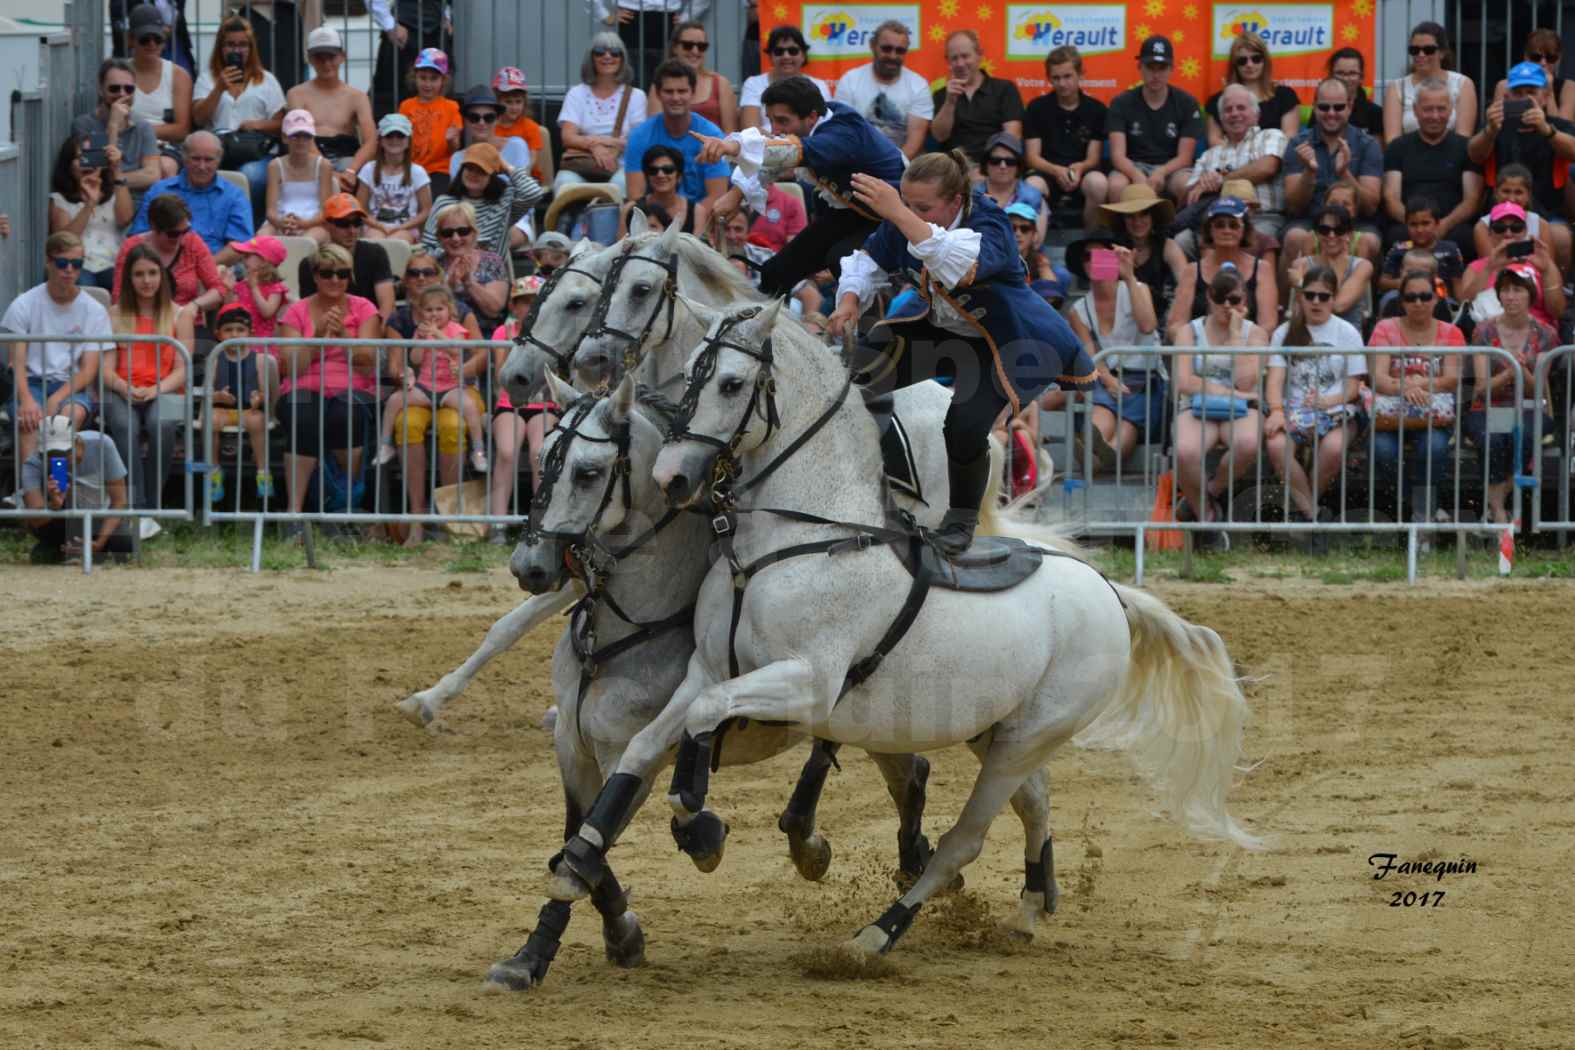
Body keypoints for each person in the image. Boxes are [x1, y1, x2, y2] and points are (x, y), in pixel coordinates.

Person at [826, 150, 1095, 555]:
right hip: (946, 329)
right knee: (851, 375)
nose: (911, 211)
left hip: (1011, 341)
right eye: (908, 202)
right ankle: (862, 482)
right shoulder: (907, 219)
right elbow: (869, 260)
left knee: (966, 424)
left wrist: (900, 212)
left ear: (955, 202)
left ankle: (962, 521)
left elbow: (954, 262)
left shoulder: (991, 223)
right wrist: (848, 301)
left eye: (923, 206)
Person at [698, 76, 907, 299]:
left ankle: (872, 324)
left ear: (811, 117)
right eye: (771, 120)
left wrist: (732, 146)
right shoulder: (819, 124)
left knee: (843, 262)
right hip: (853, 211)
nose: (776, 129)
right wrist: (735, 194)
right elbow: (775, 161)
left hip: (891, 216)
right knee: (775, 272)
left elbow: (789, 152)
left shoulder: (842, 132)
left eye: (783, 121)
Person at [273, 243, 382, 534]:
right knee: (302, 414)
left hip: (353, 386)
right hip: (303, 385)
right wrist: (318, 337)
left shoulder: (364, 308)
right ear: (316, 276)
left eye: (342, 273)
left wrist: (345, 335)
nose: (335, 280)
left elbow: (368, 364)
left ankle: (344, 504)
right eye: (327, 273)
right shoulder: (296, 312)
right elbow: (291, 367)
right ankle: (293, 514)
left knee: (347, 415)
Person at [1262, 263, 1366, 535]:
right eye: (1310, 295)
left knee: (1332, 449)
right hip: (1294, 409)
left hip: (1337, 409)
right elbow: (1274, 379)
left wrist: (1327, 402)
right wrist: (1275, 410)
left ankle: (1306, 512)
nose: (1316, 301)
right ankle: (1313, 517)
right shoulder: (1284, 332)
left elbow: (1354, 387)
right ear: (1300, 297)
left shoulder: (1347, 332)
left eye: (1324, 296)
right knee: (1275, 447)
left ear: (1334, 298)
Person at [1170, 266, 1267, 548]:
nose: (1227, 306)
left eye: (1234, 300)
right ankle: (1209, 519)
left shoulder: (1256, 333)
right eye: (1220, 297)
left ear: (1245, 301)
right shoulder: (1189, 331)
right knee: (1186, 451)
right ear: (1209, 297)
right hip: (1197, 406)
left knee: (1247, 443)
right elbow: (1184, 381)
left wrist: (1236, 336)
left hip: (1241, 409)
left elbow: (1247, 381)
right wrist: (1230, 392)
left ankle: (1209, 492)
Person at [2, 233, 110, 464]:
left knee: (65, 421)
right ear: (48, 262)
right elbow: (17, 362)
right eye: (62, 263)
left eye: (77, 264)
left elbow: (88, 370)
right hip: (30, 382)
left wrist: (59, 396)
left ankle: (57, 489)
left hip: (69, 386)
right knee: (29, 421)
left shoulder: (94, 310)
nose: (69, 269)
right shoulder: (25, 304)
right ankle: (32, 495)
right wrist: (27, 400)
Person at [102, 242, 192, 517]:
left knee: (160, 423)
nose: (147, 280)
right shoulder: (114, 314)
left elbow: (183, 369)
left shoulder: (181, 314)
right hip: (121, 389)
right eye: (139, 274)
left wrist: (155, 390)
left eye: (153, 273)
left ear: (162, 276)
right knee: (122, 424)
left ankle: (152, 505)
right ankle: (135, 506)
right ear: (129, 278)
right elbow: (106, 370)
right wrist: (124, 387)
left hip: (168, 390)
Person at [1367, 271, 1465, 520]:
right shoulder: (1385, 328)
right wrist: (1406, 387)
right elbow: (1377, 378)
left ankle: (1420, 515)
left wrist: (1422, 384)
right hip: (1391, 412)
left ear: (1435, 299)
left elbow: (1452, 379)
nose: (1419, 303)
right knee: (1382, 450)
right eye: (1411, 297)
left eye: (1425, 296)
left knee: (1434, 447)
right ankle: (1422, 509)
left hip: (1433, 414)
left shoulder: (1451, 333)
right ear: (1401, 301)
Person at [1466, 266, 1558, 524]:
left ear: (1530, 295)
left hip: (1529, 407)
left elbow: (1538, 388)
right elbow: (1481, 389)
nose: (1511, 296)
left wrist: (1520, 371)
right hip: (1488, 408)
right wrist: (1509, 373)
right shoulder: (1483, 331)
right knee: (1494, 440)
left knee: (1524, 435)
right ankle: (1499, 513)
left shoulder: (1546, 334)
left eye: (1517, 289)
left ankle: (1493, 508)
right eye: (1505, 290)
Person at [1064, 238, 1162, 468]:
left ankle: (1100, 460)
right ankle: (1090, 454)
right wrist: (1109, 381)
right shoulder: (1078, 309)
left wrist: (1128, 276)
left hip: (1143, 378)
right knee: (1099, 418)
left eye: (1102, 255)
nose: (1094, 261)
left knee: (1127, 424)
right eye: (1088, 256)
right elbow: (1089, 353)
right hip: (1105, 378)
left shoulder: (1138, 289)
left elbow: (1148, 325)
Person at [375, 284, 488, 479]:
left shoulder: (456, 328)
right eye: (428, 310)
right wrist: (421, 339)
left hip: (450, 388)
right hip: (425, 387)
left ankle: (478, 452)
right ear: (421, 313)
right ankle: (385, 444)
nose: (434, 314)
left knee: (469, 407)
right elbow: (416, 358)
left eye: (439, 309)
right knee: (394, 401)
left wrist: (437, 334)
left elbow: (456, 350)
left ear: (449, 310)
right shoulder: (421, 331)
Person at [1467, 60, 1575, 264]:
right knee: (1484, 231)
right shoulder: (1495, 125)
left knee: (1560, 236)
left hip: (1549, 212)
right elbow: (1474, 154)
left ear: (1545, 97)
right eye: (1518, 93)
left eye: (1531, 92)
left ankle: (1556, 289)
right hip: (1499, 212)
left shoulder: (1558, 126)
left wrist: (1547, 130)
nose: (1524, 98)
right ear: (1507, 97)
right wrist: (1490, 131)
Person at [1280, 76, 1384, 270]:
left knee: (1369, 241)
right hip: (1310, 220)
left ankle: (1362, 300)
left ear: (1350, 106)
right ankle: (1286, 302)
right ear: (1314, 106)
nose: (1331, 113)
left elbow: (1370, 206)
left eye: (1338, 107)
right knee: (1294, 238)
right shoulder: (1298, 144)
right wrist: (1309, 173)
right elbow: (1293, 207)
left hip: (1356, 223)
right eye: (1324, 107)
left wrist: (1344, 173)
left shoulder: (1368, 144)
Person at [1382, 79, 1484, 257]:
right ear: (1415, 111)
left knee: (1466, 237)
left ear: (1451, 110)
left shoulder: (1467, 148)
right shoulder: (1397, 147)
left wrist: (1443, 225)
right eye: (1428, 109)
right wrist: (1418, 225)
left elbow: (1472, 199)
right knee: (1394, 235)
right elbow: (1391, 198)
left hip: (1452, 226)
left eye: (1441, 109)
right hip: (1409, 225)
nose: (1435, 116)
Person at [192, 16, 286, 209]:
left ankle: (245, 228)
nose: (237, 50)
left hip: (255, 151)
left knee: (250, 175)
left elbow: (281, 125)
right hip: (217, 151)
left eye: (243, 45)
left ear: (251, 49)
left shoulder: (266, 80)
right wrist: (218, 89)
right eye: (230, 45)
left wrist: (257, 124)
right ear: (221, 47)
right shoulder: (207, 79)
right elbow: (198, 119)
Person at [487, 275, 553, 543]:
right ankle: (497, 525)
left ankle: (539, 525)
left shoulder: (554, 333)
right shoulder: (503, 332)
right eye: (524, 302)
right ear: (514, 306)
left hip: (545, 403)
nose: (530, 308)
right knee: (506, 451)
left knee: (540, 452)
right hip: (510, 403)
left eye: (536, 302)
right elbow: (499, 376)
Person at [19, 416, 133, 564]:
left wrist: (99, 543)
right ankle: (62, 548)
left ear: (77, 441)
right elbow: (35, 521)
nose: (59, 459)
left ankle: (82, 549)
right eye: (49, 455)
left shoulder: (103, 444)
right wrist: (54, 505)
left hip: (100, 515)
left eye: (64, 453)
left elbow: (119, 501)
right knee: (44, 549)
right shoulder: (33, 463)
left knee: (125, 543)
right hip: (62, 519)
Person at [1183, 84, 1287, 245]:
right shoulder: (1208, 155)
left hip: (1261, 217)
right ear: (1222, 119)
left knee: (1252, 239)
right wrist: (1201, 184)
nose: (1234, 113)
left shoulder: (1271, 136)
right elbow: (1190, 196)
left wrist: (1220, 181)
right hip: (1216, 221)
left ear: (1255, 114)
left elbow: (1267, 167)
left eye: (1241, 108)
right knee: (1181, 241)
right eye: (1228, 110)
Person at [127, 131, 254, 262]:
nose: (202, 166)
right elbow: (139, 237)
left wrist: (205, 268)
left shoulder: (234, 196)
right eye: (196, 159)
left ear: (219, 160)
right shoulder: (160, 190)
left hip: (215, 268)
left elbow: (239, 245)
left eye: (208, 160)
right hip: (164, 269)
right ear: (184, 157)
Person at [1022, 45, 1109, 230]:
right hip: (1047, 173)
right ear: (1049, 79)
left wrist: (1080, 168)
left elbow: (1093, 158)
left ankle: (1090, 244)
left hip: (1082, 174)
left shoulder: (1097, 110)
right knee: (1031, 186)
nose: (1062, 83)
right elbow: (1032, 157)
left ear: (1080, 75)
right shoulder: (1036, 108)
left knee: (1099, 183)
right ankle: (1034, 251)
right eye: (1056, 78)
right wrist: (1056, 171)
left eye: (1067, 76)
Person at [1107, 36, 1202, 204]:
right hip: (1132, 165)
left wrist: (1161, 172)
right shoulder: (1121, 102)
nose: (1156, 74)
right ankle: (1120, 231)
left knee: (1187, 185)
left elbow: (1185, 157)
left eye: (1162, 68)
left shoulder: (1187, 103)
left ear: (1172, 68)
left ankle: (1180, 230)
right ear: (1139, 67)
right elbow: (1117, 156)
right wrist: (1137, 175)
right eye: (1150, 67)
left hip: (1172, 168)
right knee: (1116, 186)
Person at [204, 301, 281, 505]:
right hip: (223, 410)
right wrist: (218, 397)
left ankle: (263, 470)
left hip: (249, 410)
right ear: (218, 333)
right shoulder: (215, 359)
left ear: (250, 332)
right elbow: (206, 393)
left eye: (240, 329)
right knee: (210, 420)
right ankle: (214, 470)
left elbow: (265, 393)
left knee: (257, 421)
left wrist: (259, 399)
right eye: (228, 330)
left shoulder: (260, 360)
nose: (234, 335)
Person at [623, 60, 729, 208]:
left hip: (701, 221)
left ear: (693, 93)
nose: (675, 98)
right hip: (654, 220)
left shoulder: (711, 135)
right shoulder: (640, 136)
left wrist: (687, 223)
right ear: (658, 94)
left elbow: (717, 197)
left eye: (682, 91)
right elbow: (636, 196)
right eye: (669, 91)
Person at [286, 27, 377, 193]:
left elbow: (371, 141)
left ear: (343, 56)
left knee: (367, 173)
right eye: (320, 58)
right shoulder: (296, 94)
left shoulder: (357, 96)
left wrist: (352, 171)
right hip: (307, 157)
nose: (326, 63)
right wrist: (328, 172)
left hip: (347, 159)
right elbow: (296, 134)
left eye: (331, 57)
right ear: (310, 59)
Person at [555, 33, 648, 192]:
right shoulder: (576, 93)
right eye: (600, 52)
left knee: (618, 187)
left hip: (621, 166)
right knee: (564, 184)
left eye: (614, 52)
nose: (607, 56)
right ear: (591, 58)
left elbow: (637, 141)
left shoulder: (636, 96)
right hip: (582, 165)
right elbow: (568, 137)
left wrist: (605, 146)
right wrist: (595, 146)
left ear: (622, 58)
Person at [1169, 196, 1277, 330]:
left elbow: (1268, 324)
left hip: (1248, 346)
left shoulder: (1262, 269)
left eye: (1233, 225)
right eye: (1220, 224)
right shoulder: (1192, 271)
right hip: (1200, 347)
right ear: (1210, 230)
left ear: (1244, 230)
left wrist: (1244, 346)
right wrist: (1194, 345)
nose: (1226, 230)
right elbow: (1176, 324)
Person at [425, 143, 544, 259]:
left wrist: (507, 168)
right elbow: (427, 246)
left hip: (488, 273)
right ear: (462, 170)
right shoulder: (444, 202)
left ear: (492, 176)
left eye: (481, 171)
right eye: (469, 168)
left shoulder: (504, 201)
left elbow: (533, 193)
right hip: (446, 270)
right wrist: (453, 253)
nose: (473, 174)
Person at [112, 194, 227, 313]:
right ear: (154, 227)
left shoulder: (193, 242)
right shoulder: (131, 247)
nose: (182, 238)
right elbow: (119, 297)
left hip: (186, 316)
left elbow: (218, 288)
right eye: (173, 234)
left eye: (186, 231)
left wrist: (193, 306)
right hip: (142, 319)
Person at [833, 20, 931, 159]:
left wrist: (890, 166)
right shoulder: (850, 80)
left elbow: (914, 144)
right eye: (886, 48)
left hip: (901, 165)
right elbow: (843, 132)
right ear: (873, 46)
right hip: (857, 162)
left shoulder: (918, 85)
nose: (893, 56)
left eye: (900, 51)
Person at [1458, 202, 1566, 328]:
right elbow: (1465, 306)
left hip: (1538, 336)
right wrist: (1489, 268)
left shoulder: (1543, 263)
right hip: (1492, 337)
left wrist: (1546, 271)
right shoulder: (1476, 268)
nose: (1508, 233)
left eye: (1516, 228)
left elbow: (1557, 312)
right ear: (1490, 233)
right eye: (1500, 228)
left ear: (1525, 231)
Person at [50, 136, 136, 290]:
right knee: (85, 285)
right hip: (78, 266)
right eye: (79, 158)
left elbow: (125, 219)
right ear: (68, 165)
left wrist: (116, 169)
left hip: (112, 263)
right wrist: (89, 204)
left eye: (91, 157)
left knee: (124, 282)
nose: (86, 163)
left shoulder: (115, 192)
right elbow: (63, 243)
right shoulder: (60, 199)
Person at [929, 29, 1023, 167]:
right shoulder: (941, 95)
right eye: (954, 58)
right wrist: (950, 102)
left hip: (994, 167)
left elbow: (1012, 137)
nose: (960, 63)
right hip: (953, 170)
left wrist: (986, 169)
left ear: (979, 55)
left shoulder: (1004, 89)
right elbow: (939, 136)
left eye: (965, 56)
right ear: (948, 61)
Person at [72, 58, 165, 195]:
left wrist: (117, 179)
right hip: (100, 200)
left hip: (137, 202)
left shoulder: (143, 126)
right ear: (101, 90)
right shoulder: (83, 124)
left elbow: (152, 175)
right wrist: (113, 125)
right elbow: (97, 172)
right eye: (114, 88)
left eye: (129, 89)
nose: (122, 94)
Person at [298, 194, 398, 321]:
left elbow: (387, 305)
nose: (352, 230)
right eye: (343, 223)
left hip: (370, 331)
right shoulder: (308, 264)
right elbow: (309, 312)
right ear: (326, 225)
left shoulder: (376, 253)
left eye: (357, 223)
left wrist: (374, 337)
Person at [1099, 184, 1187, 329]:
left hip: (1159, 321)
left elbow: (1186, 284)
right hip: (1118, 323)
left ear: (1153, 217)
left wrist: (1173, 317)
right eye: (1130, 216)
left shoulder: (1168, 246)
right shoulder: (1108, 248)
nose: (1137, 222)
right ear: (1122, 219)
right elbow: (1100, 295)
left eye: (1144, 214)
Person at [125, 4, 192, 178]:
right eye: (144, 39)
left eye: (158, 38)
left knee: (165, 167)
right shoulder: (120, 73)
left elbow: (181, 130)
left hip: (166, 148)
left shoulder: (178, 75)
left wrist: (137, 130)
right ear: (131, 40)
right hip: (126, 146)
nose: (152, 44)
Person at [1384, 21, 1478, 143]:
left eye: (1428, 50)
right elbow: (1392, 140)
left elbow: (1463, 137)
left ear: (1442, 53)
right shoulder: (1397, 87)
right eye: (1414, 50)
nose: (1421, 55)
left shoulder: (1463, 84)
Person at [1285, 203, 1373, 330]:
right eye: (1324, 230)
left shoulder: (1363, 266)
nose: (1331, 235)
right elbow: (1305, 310)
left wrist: (1300, 284)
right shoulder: (1301, 264)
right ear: (1316, 234)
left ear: (1349, 234)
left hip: (1347, 343)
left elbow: (1339, 307)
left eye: (1339, 230)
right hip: (1310, 339)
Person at [1206, 31, 1302, 145]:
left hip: (1275, 159)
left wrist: (1263, 158)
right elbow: (1214, 141)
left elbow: (1289, 139)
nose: (1249, 65)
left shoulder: (1285, 96)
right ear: (1234, 65)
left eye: (1256, 58)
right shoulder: (1217, 101)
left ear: (1265, 61)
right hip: (1232, 160)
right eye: (1242, 61)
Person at [427, 201, 510, 332]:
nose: (455, 238)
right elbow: (424, 307)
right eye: (447, 233)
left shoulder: (492, 261)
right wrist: (448, 287)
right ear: (439, 238)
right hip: (441, 336)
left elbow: (494, 309)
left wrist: (469, 283)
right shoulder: (432, 264)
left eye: (463, 231)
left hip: (486, 336)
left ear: (474, 233)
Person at [259, 110, 334, 243]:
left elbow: (325, 212)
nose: (301, 141)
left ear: (312, 138)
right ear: (284, 137)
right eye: (295, 136)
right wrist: (282, 223)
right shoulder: (274, 166)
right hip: (281, 223)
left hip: (314, 225)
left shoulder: (324, 165)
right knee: (262, 237)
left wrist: (304, 224)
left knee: (310, 240)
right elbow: (271, 211)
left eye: (306, 136)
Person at [357, 114, 433, 243]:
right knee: (375, 243)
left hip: (406, 228)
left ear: (408, 141)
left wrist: (401, 227)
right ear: (380, 140)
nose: (394, 140)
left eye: (400, 135)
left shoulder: (417, 172)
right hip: (374, 226)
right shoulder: (368, 169)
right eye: (389, 135)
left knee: (397, 243)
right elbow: (360, 208)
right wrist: (379, 226)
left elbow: (426, 210)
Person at [739, 26, 830, 134]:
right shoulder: (754, 83)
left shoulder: (820, 85)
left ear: (803, 55)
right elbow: (750, 130)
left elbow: (826, 126)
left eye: (793, 51)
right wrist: (780, 142)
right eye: (779, 51)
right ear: (770, 56)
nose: (786, 56)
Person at [1471, 163, 1564, 269]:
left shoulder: (1541, 224)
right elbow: (1491, 267)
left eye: (1518, 192)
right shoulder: (1482, 226)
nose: (1511, 198)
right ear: (1496, 193)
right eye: (1506, 191)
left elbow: (1549, 268)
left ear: (1528, 195)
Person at [370, 0, 451, 118]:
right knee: (391, 100)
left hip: (436, 31)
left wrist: (446, 14)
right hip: (402, 32)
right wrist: (389, 24)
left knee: (440, 94)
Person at [447, 85, 538, 187]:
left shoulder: (516, 146)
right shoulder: (458, 159)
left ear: (498, 119)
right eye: (474, 117)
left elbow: (526, 190)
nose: (481, 123)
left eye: (489, 117)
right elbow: (457, 199)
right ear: (466, 121)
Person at [399, 48, 463, 193]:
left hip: (440, 170)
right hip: (411, 168)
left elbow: (455, 149)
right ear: (415, 77)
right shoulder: (406, 106)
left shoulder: (451, 107)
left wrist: (452, 140)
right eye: (423, 77)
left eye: (433, 78)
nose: (427, 84)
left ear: (443, 80)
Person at [387, 247, 484, 340]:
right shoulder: (397, 320)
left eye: (428, 272)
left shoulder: (462, 311)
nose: (421, 278)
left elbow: (481, 353)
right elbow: (397, 357)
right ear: (406, 280)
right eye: (414, 273)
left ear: (438, 278)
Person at [1380, 193, 1465, 297]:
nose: (1419, 230)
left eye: (1425, 223)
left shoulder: (1450, 249)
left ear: (1437, 223)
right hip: (1405, 298)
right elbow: (1383, 283)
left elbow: (1458, 284)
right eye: (1413, 224)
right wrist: (1403, 282)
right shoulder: (1399, 249)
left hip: (1440, 298)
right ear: (1406, 225)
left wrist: (1461, 309)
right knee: (1389, 297)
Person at [667, 21, 737, 136]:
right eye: (688, 45)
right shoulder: (660, 84)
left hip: (714, 152)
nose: (695, 51)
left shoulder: (720, 83)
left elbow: (730, 134)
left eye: (701, 46)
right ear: (675, 48)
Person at [1490, 28, 1575, 121]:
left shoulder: (1569, 87)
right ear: (1526, 57)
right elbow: (1496, 126)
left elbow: (1563, 130)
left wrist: (1549, 93)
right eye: (1536, 57)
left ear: (1558, 59)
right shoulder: (1505, 85)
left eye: (1551, 58)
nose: (1543, 63)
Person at [594, 0, 682, 88]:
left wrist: (686, 18)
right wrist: (605, 16)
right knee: (633, 79)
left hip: (667, 22)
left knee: (666, 80)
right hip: (631, 22)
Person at [621, 145, 706, 235]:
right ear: (647, 175)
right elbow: (621, 247)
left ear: (679, 175)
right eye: (653, 170)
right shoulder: (630, 209)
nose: (660, 175)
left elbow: (697, 248)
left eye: (668, 170)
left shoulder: (697, 212)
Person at [493, 67, 556, 184]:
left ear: (524, 102)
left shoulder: (530, 126)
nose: (514, 107)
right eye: (508, 102)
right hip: (499, 177)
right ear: (498, 102)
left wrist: (522, 173)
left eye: (518, 102)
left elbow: (533, 159)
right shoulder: (491, 127)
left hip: (528, 178)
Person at [228, 234, 290, 341]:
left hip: (262, 344)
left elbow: (267, 312)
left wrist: (254, 288)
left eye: (247, 256)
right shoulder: (242, 284)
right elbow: (230, 311)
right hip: (239, 341)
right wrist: (228, 289)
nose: (243, 260)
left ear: (264, 261)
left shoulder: (275, 288)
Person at [978, 133, 1043, 236]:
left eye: (1010, 161)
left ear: (1018, 165)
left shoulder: (1032, 196)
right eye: (996, 161)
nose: (1003, 166)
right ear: (986, 163)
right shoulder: (972, 196)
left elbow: (1035, 241)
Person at [1328, 47, 1384, 139]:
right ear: (1331, 75)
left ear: (1361, 77)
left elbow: (1376, 152)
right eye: (1340, 73)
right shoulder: (1322, 109)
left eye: (1352, 73)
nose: (1345, 79)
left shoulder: (1375, 113)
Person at [1008, 202, 1054, 281]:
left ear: (1034, 235)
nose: (1018, 234)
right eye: (1012, 228)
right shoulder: (993, 260)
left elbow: (1052, 290)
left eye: (1025, 229)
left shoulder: (1040, 262)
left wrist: (1044, 268)